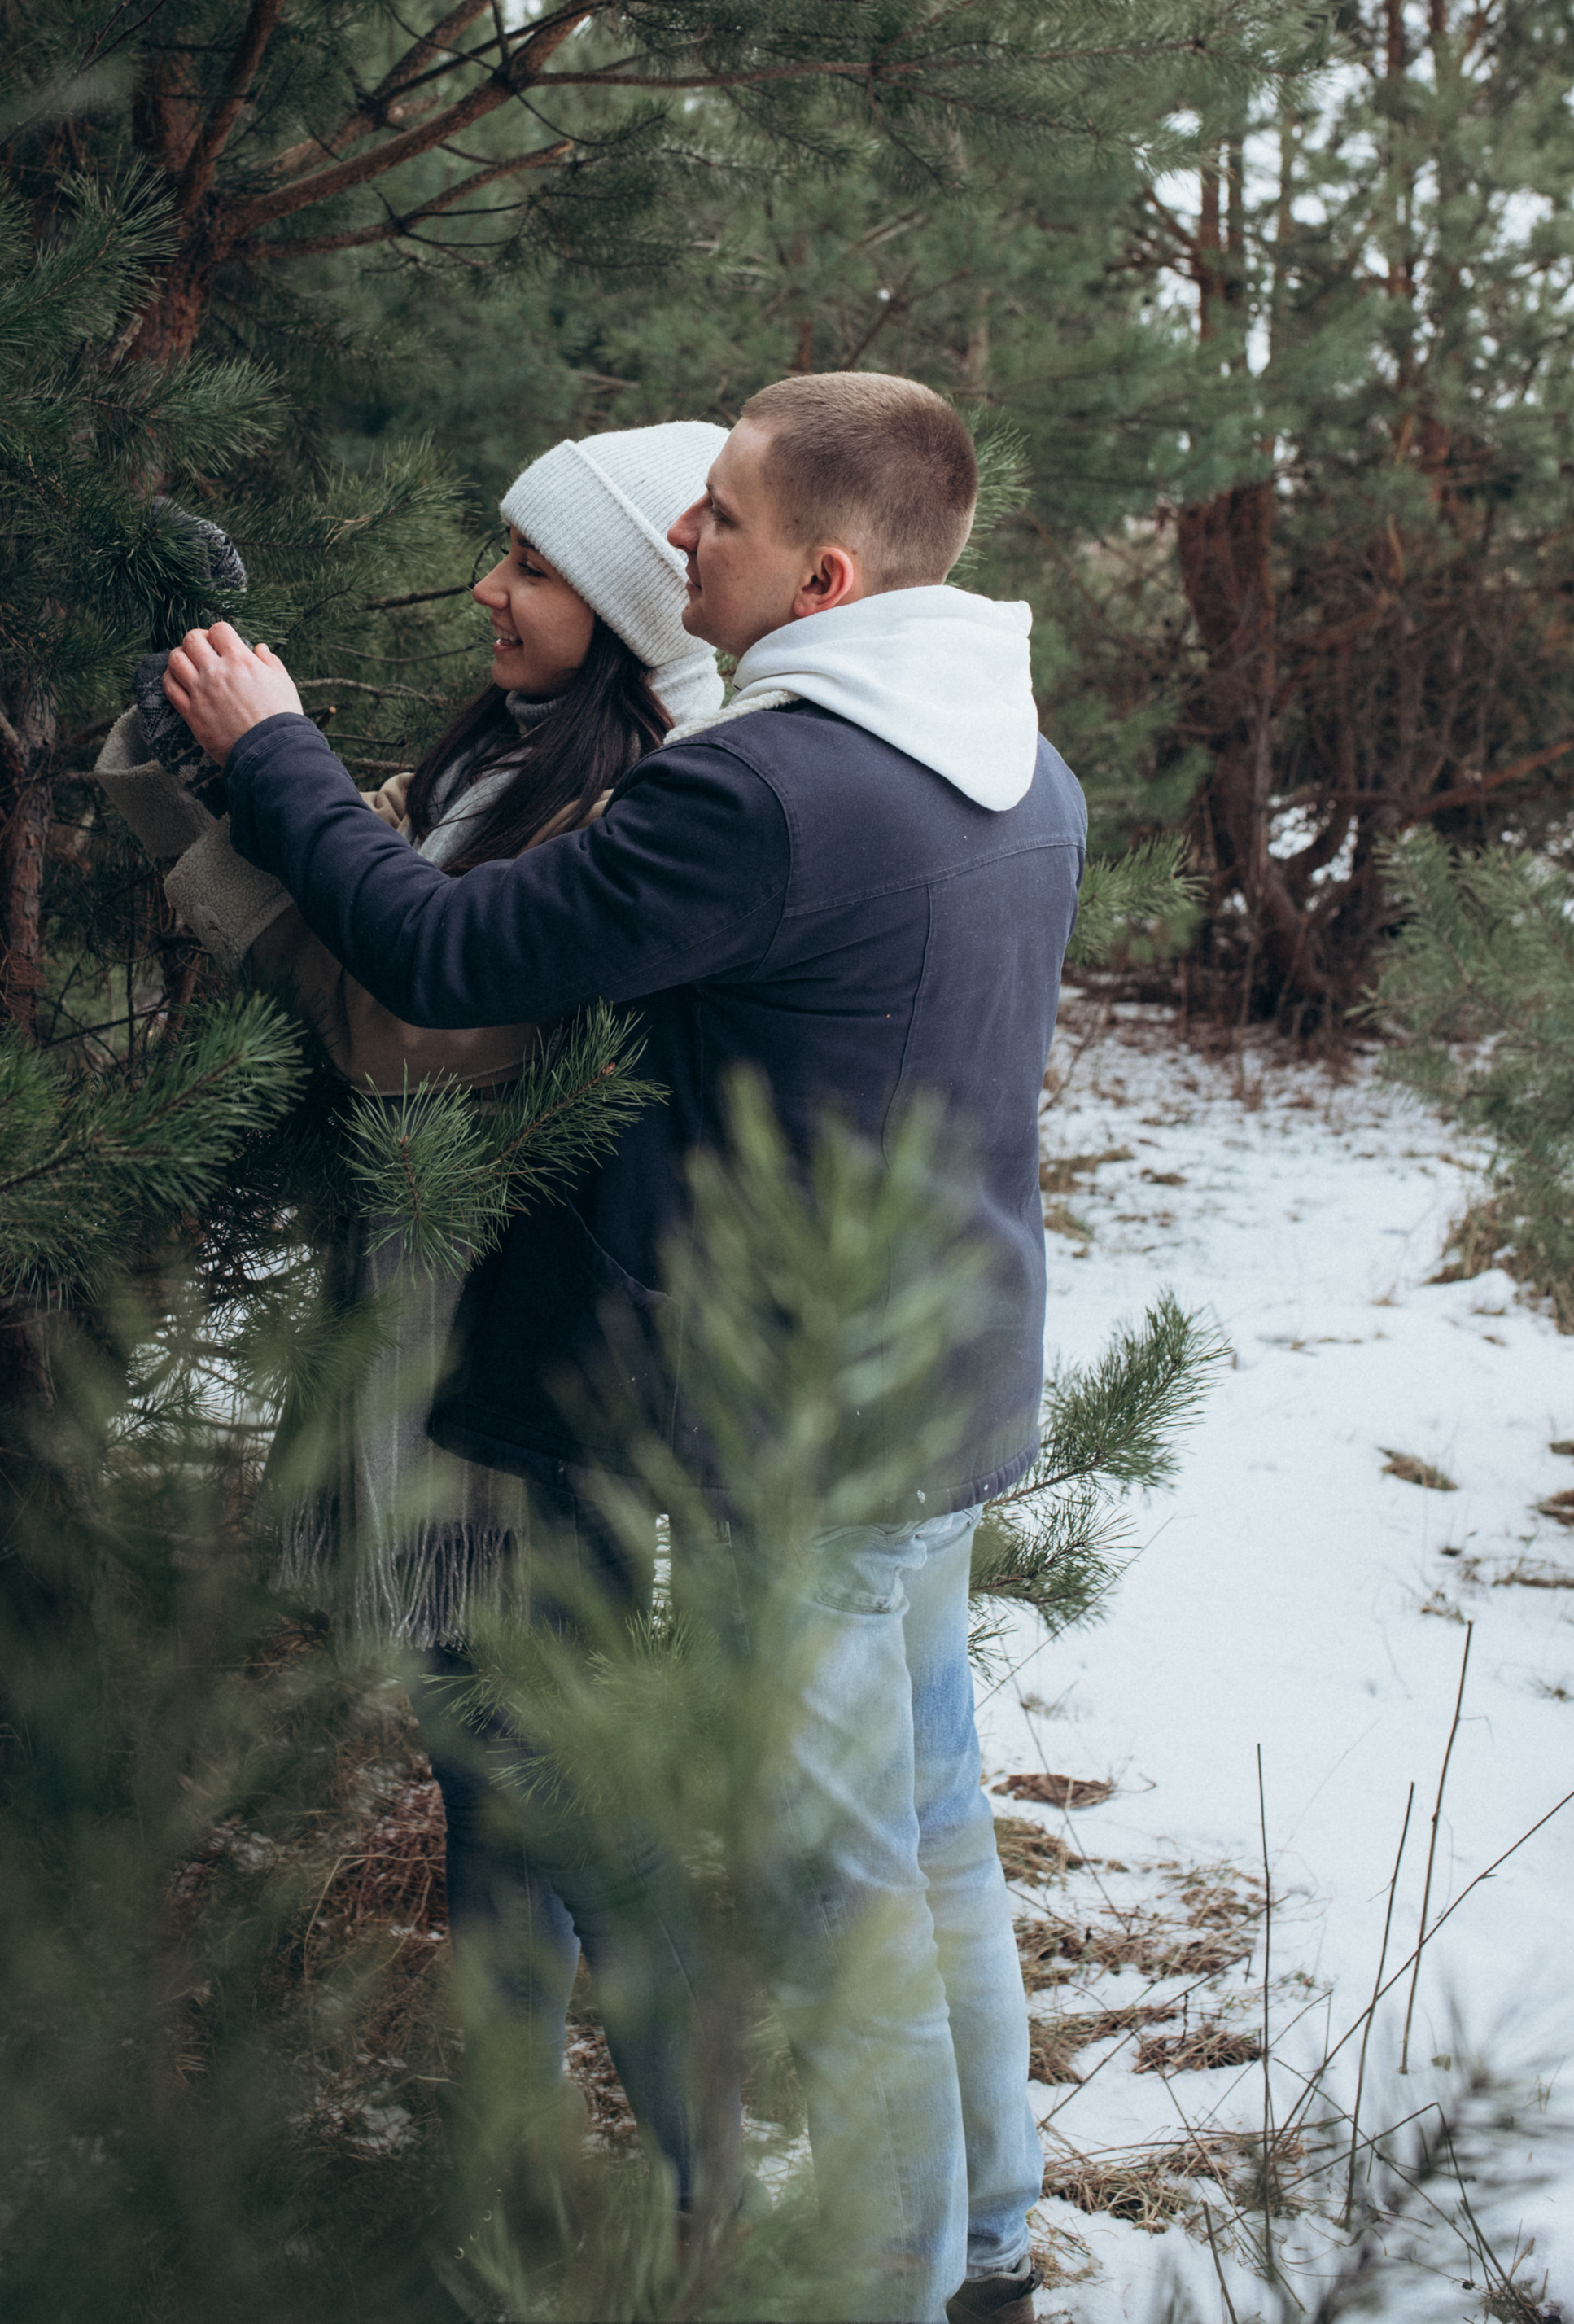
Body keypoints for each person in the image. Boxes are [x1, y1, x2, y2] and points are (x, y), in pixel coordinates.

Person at [162, 370, 1086, 2324]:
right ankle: (993, 2245)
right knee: (937, 1840)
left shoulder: (760, 794)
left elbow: (445, 961)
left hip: (791, 1438)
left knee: (839, 1908)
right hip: (947, 1384)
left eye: (721, 515)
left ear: (823, 578)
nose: (681, 536)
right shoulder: (1019, 760)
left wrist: (272, 752)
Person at [98, 422, 731, 2209]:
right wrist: (191, 747)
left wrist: (274, 766)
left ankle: (713, 2194)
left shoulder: (633, 802)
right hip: (419, 1333)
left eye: (531, 566)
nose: (486, 590)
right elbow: (348, 893)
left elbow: (406, 1026)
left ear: (625, 606)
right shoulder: (496, 758)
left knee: (566, 1783)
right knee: (478, 1765)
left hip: (528, 1370)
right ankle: (506, 2159)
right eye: (499, 550)